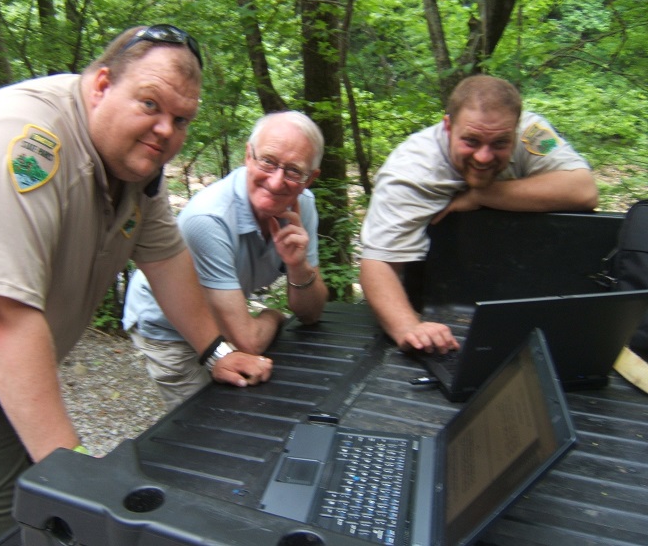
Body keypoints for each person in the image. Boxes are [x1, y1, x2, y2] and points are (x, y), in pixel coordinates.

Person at [0, 24, 272, 546]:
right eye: (150, 104)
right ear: (101, 85)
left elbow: (164, 255)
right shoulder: (23, 144)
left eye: (181, 119)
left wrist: (215, 351)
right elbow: (2, 316)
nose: (166, 129)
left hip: (3, 375)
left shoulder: (132, 157)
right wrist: (80, 483)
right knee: (32, 533)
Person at [359, 75, 599, 355]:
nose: (484, 157)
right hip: (426, 297)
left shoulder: (530, 133)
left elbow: (582, 190)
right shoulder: (410, 171)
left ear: (516, 130)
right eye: (471, 141)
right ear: (448, 127)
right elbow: (378, 263)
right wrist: (410, 328)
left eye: (499, 143)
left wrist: (482, 195)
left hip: (518, 290)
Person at [123, 110, 329, 410]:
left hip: (223, 309)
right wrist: (273, 315)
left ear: (310, 178)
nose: (276, 181)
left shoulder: (303, 208)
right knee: (209, 418)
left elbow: (311, 313)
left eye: (293, 171)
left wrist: (298, 266)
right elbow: (248, 342)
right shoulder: (209, 219)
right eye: (268, 161)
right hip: (168, 326)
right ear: (248, 155)